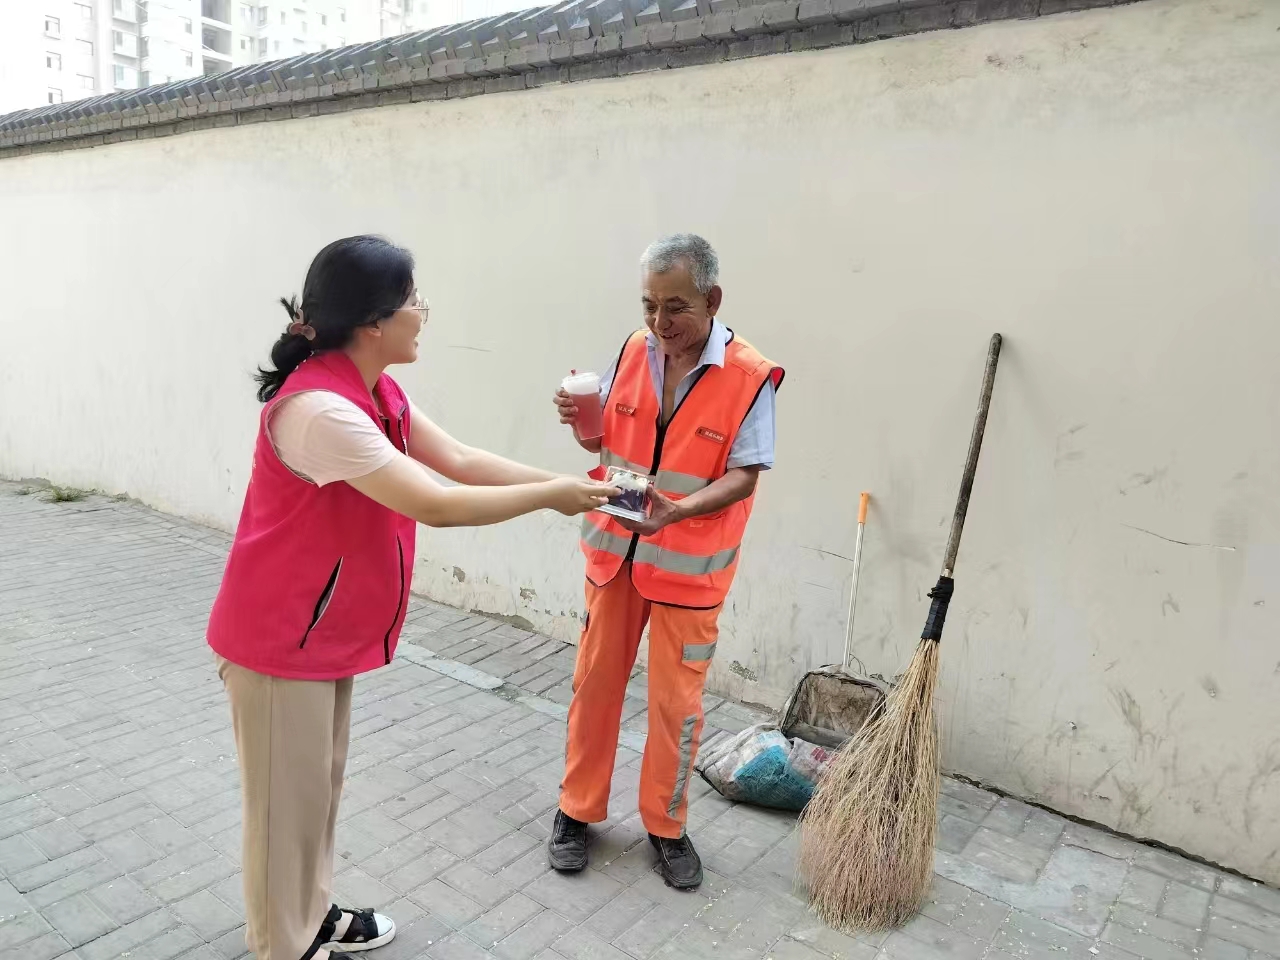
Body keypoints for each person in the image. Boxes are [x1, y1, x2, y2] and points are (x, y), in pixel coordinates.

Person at [206, 236, 616, 960]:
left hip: (317, 633)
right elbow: (436, 501)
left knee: (314, 795)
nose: (423, 314)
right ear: (374, 323)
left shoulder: (372, 389)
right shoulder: (319, 413)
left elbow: (458, 460)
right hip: (277, 641)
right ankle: (283, 945)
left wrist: (578, 483)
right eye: (414, 301)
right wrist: (556, 497)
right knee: (282, 811)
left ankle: (311, 913)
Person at [550, 234, 784, 888]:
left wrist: (676, 512)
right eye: (649, 305)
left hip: (688, 569)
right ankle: (576, 810)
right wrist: (577, 422)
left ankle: (666, 826)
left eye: (674, 307)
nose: (659, 323)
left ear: (712, 300)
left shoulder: (749, 375)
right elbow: (603, 437)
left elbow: (745, 474)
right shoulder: (631, 349)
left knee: (676, 707)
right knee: (593, 687)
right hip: (614, 555)